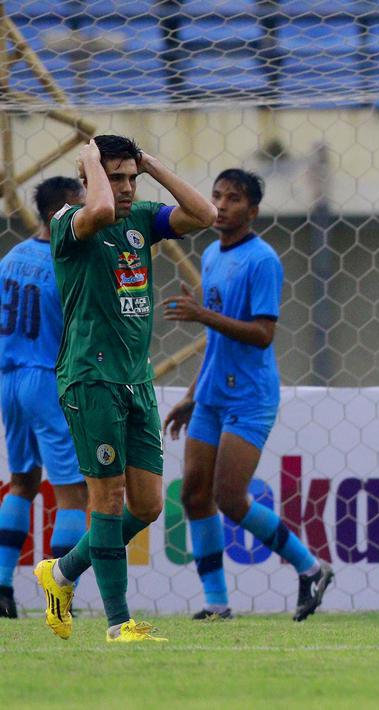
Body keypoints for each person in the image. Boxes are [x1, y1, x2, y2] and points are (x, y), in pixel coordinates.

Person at [33, 135, 216, 643]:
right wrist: (93, 161)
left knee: (149, 504)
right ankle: (119, 623)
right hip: (90, 380)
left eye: (131, 178)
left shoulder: (142, 219)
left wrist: (152, 164)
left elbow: (204, 215)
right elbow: (98, 208)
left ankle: (61, 573)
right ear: (92, 175)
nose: (127, 189)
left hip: (135, 381)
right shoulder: (70, 223)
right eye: (117, 178)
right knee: (108, 499)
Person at [161, 169, 331, 622]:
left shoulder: (263, 261)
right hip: (212, 395)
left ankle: (310, 567)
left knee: (230, 498)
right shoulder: (213, 254)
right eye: (216, 196)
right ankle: (217, 604)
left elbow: (261, 334)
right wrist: (192, 394)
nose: (221, 205)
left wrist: (202, 314)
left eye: (233, 198)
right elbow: (218, 344)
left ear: (252, 210)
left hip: (250, 398)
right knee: (195, 495)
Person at [0, 177, 88, 618]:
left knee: (23, 482)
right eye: (79, 207)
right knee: (74, 493)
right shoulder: (63, 262)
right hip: (46, 379)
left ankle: (0, 586)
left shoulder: (11, 258)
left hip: (9, 379)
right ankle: (60, 596)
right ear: (60, 213)